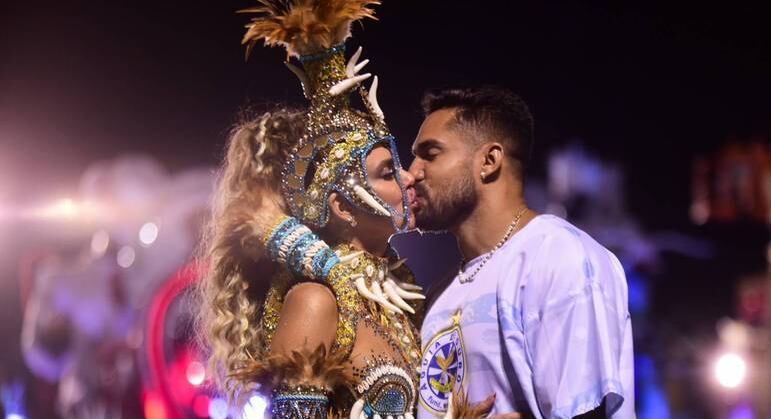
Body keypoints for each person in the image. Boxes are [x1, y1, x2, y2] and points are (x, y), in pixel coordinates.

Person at [198, 1, 427, 418]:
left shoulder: (397, 297)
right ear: (341, 207)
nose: (409, 177)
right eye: (386, 172)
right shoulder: (314, 300)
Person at [409, 87, 635, 418]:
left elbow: (586, 411)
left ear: (489, 161)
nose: (412, 173)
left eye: (430, 154)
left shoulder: (559, 256)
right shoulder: (439, 291)